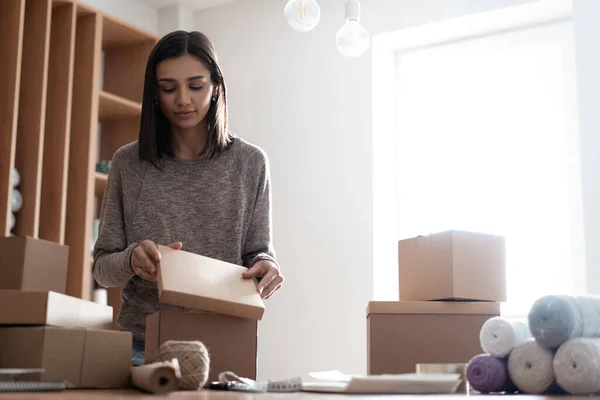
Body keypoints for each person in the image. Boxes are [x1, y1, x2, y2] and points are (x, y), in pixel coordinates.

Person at [92, 30, 283, 366]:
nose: (182, 100)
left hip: (226, 345)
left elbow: (259, 253)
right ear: (154, 93)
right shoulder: (128, 163)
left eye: (195, 86)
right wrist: (131, 259)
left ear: (216, 87)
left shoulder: (251, 163)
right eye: (168, 88)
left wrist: (267, 267)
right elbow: (102, 270)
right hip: (142, 349)